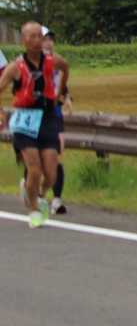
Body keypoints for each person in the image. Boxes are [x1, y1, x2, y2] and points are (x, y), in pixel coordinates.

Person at [1, 22, 68, 229]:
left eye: (40, 36)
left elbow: (65, 68)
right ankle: (34, 210)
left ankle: (38, 194)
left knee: (51, 172)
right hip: (25, 119)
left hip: (47, 118)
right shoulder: (16, 67)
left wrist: (60, 93)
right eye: (32, 36)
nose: (37, 40)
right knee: (35, 169)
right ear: (23, 40)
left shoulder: (52, 61)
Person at [42, 27, 68, 215]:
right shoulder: (27, 63)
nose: (48, 42)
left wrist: (67, 97)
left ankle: (57, 200)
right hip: (35, 116)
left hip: (54, 115)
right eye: (44, 39)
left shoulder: (59, 62)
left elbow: (63, 85)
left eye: (50, 39)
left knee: (56, 157)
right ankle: (35, 194)